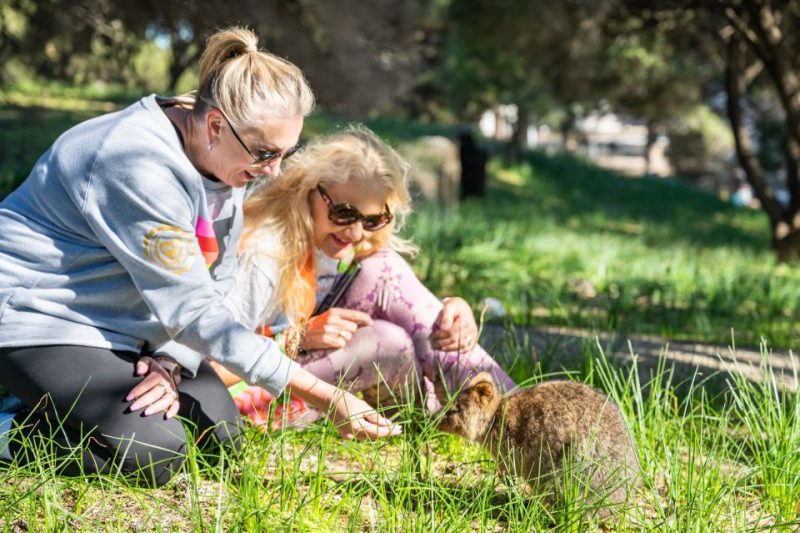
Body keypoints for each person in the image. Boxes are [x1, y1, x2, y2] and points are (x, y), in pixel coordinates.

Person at [0, 27, 398, 488]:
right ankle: (12, 424)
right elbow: (193, 311)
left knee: (220, 442)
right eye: (266, 153)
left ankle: (66, 401)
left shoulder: (224, 161)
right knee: (153, 453)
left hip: (126, 326)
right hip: (39, 315)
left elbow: (216, 281)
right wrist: (326, 396)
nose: (274, 171)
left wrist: (170, 362)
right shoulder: (134, 163)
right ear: (215, 125)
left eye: (285, 153)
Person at [211, 127, 515, 428]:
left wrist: (453, 313)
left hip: (312, 373)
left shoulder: (345, 244)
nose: (356, 232)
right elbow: (209, 364)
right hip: (240, 399)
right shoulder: (265, 255)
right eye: (343, 213)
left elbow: (400, 294)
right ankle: (487, 421)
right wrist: (296, 339)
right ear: (308, 190)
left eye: (372, 219)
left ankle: (518, 412)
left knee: (384, 269)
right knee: (387, 342)